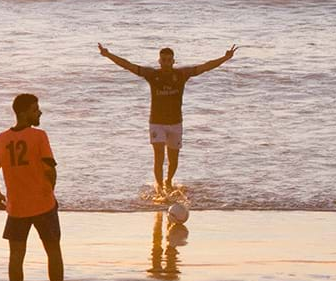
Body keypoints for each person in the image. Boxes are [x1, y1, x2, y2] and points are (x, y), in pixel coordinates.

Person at [96, 42, 237, 197]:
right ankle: (160, 188)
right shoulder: (151, 74)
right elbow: (128, 65)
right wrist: (108, 54)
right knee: (158, 157)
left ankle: (168, 181)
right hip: (157, 122)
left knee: (173, 159)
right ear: (159, 61)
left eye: (169, 60)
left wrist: (225, 58)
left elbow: (205, 66)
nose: (166, 63)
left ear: (173, 61)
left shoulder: (182, 74)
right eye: (163, 60)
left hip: (176, 122)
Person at [0, 93, 70, 281]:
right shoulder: (39, 136)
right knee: (53, 253)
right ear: (23, 113)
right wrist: (51, 190)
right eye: (36, 109)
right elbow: (49, 169)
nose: (39, 112)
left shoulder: (1, 138)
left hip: (17, 207)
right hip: (43, 204)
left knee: (16, 257)